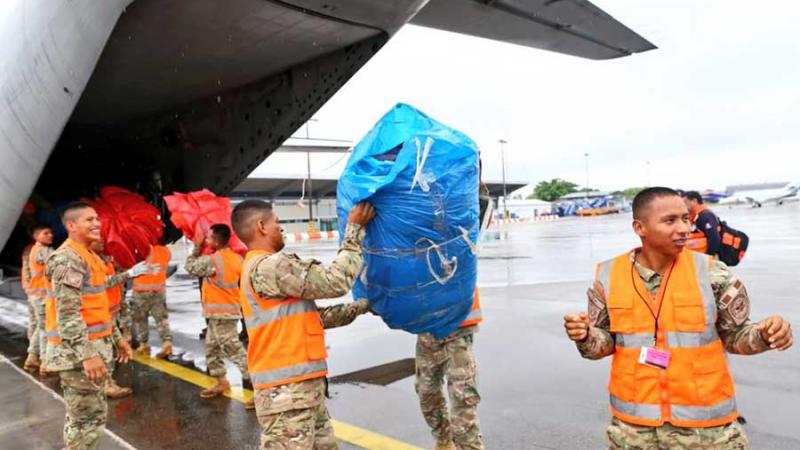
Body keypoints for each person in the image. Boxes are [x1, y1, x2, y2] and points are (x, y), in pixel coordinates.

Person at [563, 187, 793, 449]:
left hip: (708, 433)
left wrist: (765, 335)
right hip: (634, 433)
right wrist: (584, 335)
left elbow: (736, 337)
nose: (684, 228)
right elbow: (602, 345)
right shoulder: (608, 275)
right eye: (670, 221)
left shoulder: (712, 273)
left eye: (686, 218)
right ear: (640, 227)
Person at [231, 199, 374, 449]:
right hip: (286, 396)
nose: (281, 227)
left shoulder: (260, 270)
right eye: (277, 222)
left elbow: (312, 318)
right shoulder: (270, 266)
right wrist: (354, 230)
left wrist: (364, 306)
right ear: (262, 226)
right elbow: (335, 281)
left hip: (303, 393)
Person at [43, 202, 134, 450]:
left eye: (97, 219)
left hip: (93, 349)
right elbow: (68, 314)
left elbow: (98, 306)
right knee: (86, 421)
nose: (97, 223)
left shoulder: (89, 257)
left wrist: (117, 339)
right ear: (71, 226)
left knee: (90, 418)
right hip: (79, 355)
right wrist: (87, 355)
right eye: (89, 220)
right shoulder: (68, 259)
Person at [183, 224, 252, 406]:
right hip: (223, 311)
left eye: (208, 238)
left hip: (223, 313)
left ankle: (260, 389)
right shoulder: (237, 259)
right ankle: (221, 382)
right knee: (212, 348)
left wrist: (196, 247)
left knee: (234, 350)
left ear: (216, 241)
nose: (206, 240)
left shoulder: (212, 260)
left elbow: (190, 266)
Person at [91, 239, 150, 399]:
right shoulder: (91, 263)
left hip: (109, 311)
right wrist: (129, 274)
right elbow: (106, 282)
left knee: (108, 349)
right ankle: (106, 385)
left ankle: (107, 383)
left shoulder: (105, 262)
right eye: (98, 242)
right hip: (99, 313)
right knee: (103, 351)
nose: (103, 243)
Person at [132, 242, 173, 358]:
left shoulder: (140, 249)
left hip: (141, 291)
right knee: (161, 319)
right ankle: (167, 342)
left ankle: (144, 344)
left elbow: (130, 264)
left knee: (141, 319)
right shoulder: (165, 251)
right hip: (159, 290)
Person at [23, 224, 54, 375]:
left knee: (40, 328)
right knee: (45, 329)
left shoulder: (33, 250)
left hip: (37, 295)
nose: (50, 235)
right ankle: (44, 363)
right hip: (42, 296)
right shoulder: (43, 251)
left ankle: (32, 357)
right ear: (36, 236)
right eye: (46, 233)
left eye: (51, 233)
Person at [682, 190, 721, 256]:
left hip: (706, 257)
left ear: (694, 201)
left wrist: (709, 256)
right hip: (696, 255)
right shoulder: (694, 216)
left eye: (685, 202)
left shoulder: (706, 216)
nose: (683, 205)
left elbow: (714, 239)